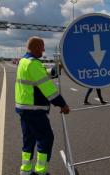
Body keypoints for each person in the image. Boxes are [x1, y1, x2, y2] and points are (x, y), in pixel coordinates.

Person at [15, 36, 70, 175]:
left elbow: (42, 75)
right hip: (34, 110)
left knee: (29, 139)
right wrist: (62, 104)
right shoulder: (33, 63)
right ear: (34, 48)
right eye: (42, 47)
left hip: (24, 108)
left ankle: (25, 170)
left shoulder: (24, 61)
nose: (44, 50)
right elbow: (48, 88)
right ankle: (41, 171)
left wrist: (56, 69)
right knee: (45, 138)